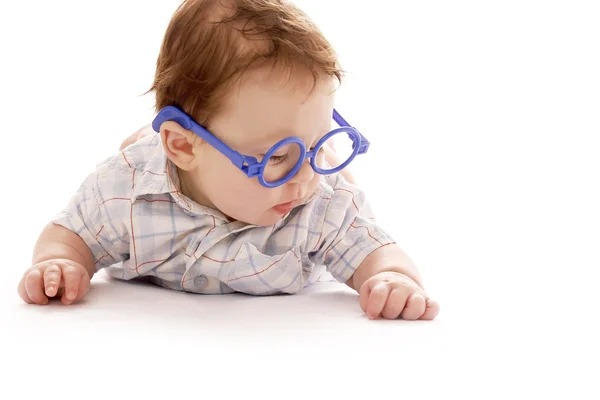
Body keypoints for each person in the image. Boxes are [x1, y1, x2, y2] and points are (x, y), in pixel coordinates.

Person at [18, 0, 439, 320]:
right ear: (184, 147)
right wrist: (60, 263)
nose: (305, 178)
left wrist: (393, 280)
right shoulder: (124, 192)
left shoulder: (321, 203)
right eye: (277, 158)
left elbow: (378, 253)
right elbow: (68, 235)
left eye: (317, 146)